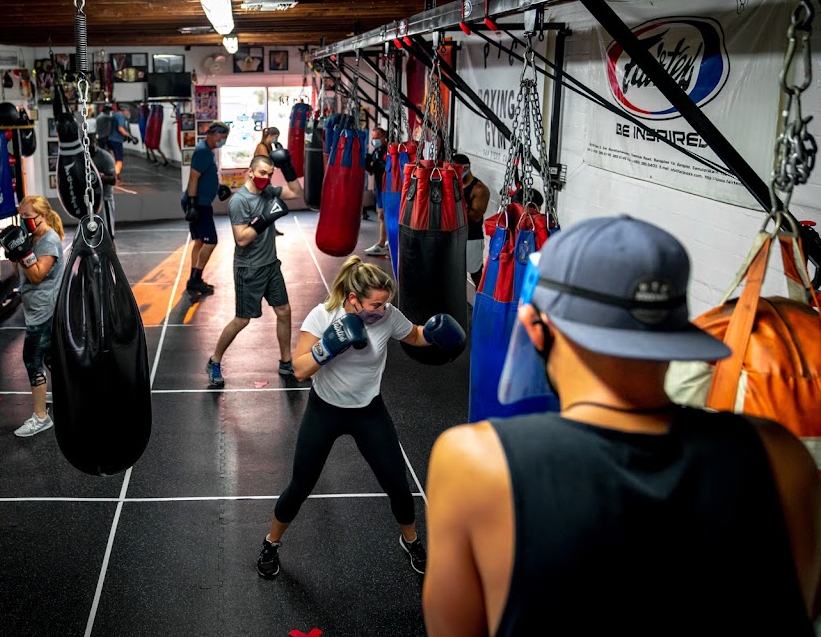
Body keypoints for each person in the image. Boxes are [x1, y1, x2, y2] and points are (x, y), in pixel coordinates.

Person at [422, 215, 821, 636]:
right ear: (676, 332)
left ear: (537, 329)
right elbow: (805, 604)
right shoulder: (782, 455)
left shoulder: (476, 462)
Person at [255, 256, 466, 579]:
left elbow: (413, 335)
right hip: (324, 411)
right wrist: (329, 346)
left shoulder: (388, 315)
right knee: (300, 485)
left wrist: (436, 332)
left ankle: (411, 540)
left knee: (398, 485)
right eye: (375, 304)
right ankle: (271, 543)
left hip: (369, 412)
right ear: (353, 298)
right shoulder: (323, 316)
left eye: (385, 304)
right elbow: (298, 369)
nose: (381, 310)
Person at [206, 154, 303, 388]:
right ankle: (214, 360)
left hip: (271, 265)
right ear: (250, 172)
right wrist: (266, 219)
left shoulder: (268, 191)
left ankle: (286, 362)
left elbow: (295, 192)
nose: (265, 178)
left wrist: (287, 167)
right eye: (261, 173)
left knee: (284, 311)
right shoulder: (239, 201)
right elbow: (241, 239)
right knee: (242, 320)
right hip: (248, 269)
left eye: (269, 174)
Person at [0, 195, 65, 437]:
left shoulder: (48, 241)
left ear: (42, 216)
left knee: (32, 359)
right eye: (21, 216)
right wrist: (15, 255)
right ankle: (70, 396)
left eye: (27, 217)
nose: (23, 221)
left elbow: (37, 276)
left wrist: (23, 253)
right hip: (35, 307)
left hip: (45, 310)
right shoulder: (31, 237)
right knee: (51, 358)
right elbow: (22, 275)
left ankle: (41, 417)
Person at [184, 121, 230, 300]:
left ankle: (192, 279)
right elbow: (193, 178)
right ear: (215, 134)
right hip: (200, 204)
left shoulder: (207, 150)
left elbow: (206, 177)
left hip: (200, 202)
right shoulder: (203, 151)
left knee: (199, 242)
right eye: (223, 137)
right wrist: (193, 204)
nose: (223, 141)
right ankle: (196, 279)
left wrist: (218, 187)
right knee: (211, 241)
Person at [452, 153, 490, 286]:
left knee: (475, 273)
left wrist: (452, 207)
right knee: (453, 272)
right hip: (453, 234)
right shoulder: (452, 184)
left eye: (455, 169)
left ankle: (480, 297)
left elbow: (475, 216)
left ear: (465, 168)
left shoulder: (480, 189)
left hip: (472, 237)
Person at [253, 127, 284, 236]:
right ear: (270, 136)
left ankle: (271, 228)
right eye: (275, 137)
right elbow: (267, 162)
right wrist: (278, 155)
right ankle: (260, 229)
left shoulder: (268, 146)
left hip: (265, 178)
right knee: (264, 204)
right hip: (259, 179)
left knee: (268, 204)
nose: (276, 139)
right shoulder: (261, 147)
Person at [364, 127, 389, 256]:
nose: (374, 140)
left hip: (388, 188)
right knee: (382, 215)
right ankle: (386, 242)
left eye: (377, 138)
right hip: (379, 187)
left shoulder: (389, 151)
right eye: (373, 138)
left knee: (383, 215)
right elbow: (372, 172)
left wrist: (379, 165)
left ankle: (382, 244)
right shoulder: (376, 151)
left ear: (384, 137)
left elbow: (390, 169)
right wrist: (367, 165)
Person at [89, 139, 117, 240]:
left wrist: (100, 177)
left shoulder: (105, 157)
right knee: (92, 235)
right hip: (90, 201)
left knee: (108, 235)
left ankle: (112, 251)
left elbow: (113, 180)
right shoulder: (83, 156)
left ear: (96, 143)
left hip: (104, 200)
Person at [107, 102, 137, 177]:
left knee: (113, 159)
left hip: (110, 140)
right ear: (124, 110)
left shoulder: (115, 115)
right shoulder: (120, 116)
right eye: (128, 111)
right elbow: (120, 128)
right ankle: (116, 176)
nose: (128, 113)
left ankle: (112, 173)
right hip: (116, 141)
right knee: (119, 160)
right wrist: (130, 136)